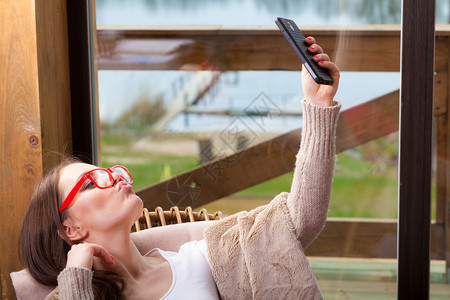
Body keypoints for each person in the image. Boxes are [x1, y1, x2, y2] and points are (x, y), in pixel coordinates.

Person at [19, 36, 341, 300]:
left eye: (109, 169)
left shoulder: (197, 257)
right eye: (91, 182)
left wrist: (318, 104)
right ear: (71, 229)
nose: (116, 177)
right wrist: (76, 276)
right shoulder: (76, 293)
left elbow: (299, 220)